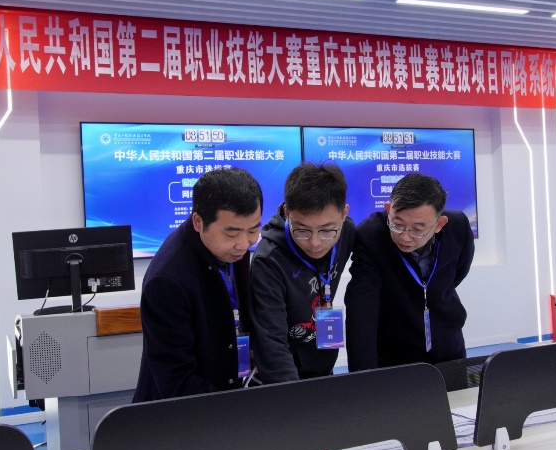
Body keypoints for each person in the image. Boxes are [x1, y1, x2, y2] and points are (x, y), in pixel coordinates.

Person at [133, 167, 262, 402]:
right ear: (198, 221)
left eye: (253, 230)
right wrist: (232, 409)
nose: (244, 244)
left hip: (228, 395)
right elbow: (176, 380)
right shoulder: (168, 280)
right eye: (232, 234)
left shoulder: (229, 249)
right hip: (185, 413)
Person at [345, 173, 474, 371]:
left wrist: (427, 292)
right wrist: (364, 379)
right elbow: (362, 313)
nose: (404, 237)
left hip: (449, 347)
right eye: (397, 224)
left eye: (417, 229)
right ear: (388, 210)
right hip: (395, 355)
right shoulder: (369, 237)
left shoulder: (459, 227)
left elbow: (458, 273)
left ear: (439, 224)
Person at [250, 162, 355, 384]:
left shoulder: (347, 232)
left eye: (326, 231)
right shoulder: (269, 259)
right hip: (282, 376)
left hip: (323, 366)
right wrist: (295, 397)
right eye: (302, 230)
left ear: (344, 214)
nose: (315, 242)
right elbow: (271, 342)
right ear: (287, 213)